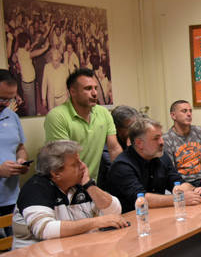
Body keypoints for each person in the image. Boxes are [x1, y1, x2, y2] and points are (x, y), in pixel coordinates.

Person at [12, 140, 126, 246]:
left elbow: (114, 211)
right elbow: (45, 229)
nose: (83, 166)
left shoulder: (80, 184)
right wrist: (96, 222)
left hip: (72, 250)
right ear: (56, 173)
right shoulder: (35, 188)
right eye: (75, 164)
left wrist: (89, 185)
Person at [106, 117, 201, 213]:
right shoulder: (122, 166)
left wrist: (195, 191)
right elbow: (141, 199)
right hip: (132, 219)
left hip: (158, 214)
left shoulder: (161, 156)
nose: (162, 142)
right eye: (156, 138)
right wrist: (179, 198)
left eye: (161, 137)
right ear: (139, 143)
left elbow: (178, 183)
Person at [44, 68, 122, 180]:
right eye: (88, 88)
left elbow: (114, 148)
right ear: (73, 92)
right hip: (64, 182)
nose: (95, 93)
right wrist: (87, 184)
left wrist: (122, 176)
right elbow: (64, 160)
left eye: (95, 88)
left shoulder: (103, 113)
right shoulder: (57, 116)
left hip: (90, 181)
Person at [163, 100, 201, 188]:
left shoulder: (198, 131)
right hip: (181, 184)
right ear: (173, 115)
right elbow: (170, 171)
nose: (189, 114)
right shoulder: (167, 139)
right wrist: (188, 188)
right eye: (184, 111)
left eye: (190, 111)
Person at [0, 69, 30, 236]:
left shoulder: (12, 116)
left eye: (10, 99)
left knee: (16, 247)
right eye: (2, 98)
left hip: (12, 199)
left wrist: (21, 161)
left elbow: (20, 148)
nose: (6, 104)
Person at [98, 105, 139, 188]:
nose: (136, 130)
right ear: (116, 128)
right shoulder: (107, 151)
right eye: (131, 127)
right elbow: (124, 175)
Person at [41, 47, 69, 111]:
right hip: (51, 98)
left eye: (56, 60)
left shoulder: (64, 68)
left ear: (60, 59)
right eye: (52, 60)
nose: (54, 63)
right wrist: (43, 99)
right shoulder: (47, 67)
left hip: (63, 98)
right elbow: (44, 83)